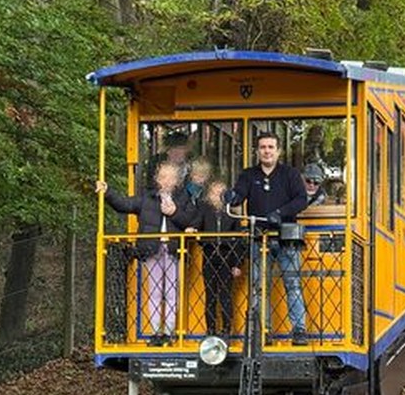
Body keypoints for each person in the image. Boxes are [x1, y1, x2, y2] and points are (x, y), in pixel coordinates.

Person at [225, 131, 311, 346]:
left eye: (271, 147)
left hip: (287, 237)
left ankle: (299, 330)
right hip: (259, 237)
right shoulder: (248, 175)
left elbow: (301, 199)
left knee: (292, 283)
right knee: (258, 285)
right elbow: (239, 194)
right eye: (263, 147)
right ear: (257, 151)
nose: (267, 151)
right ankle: (262, 330)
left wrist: (280, 214)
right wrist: (232, 197)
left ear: (278, 151)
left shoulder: (289, 174)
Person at [96, 161, 196, 345]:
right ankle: (156, 332)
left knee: (172, 291)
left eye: (171, 177)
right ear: (157, 179)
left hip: (175, 249)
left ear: (176, 180)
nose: (167, 180)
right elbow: (124, 204)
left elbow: (191, 220)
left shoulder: (184, 199)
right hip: (152, 249)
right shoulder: (147, 198)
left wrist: (174, 212)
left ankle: (169, 332)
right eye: (163, 176)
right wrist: (108, 191)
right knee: (155, 291)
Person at [189, 179, 243, 336]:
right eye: (214, 193)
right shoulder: (205, 210)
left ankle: (227, 329)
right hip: (210, 255)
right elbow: (198, 222)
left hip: (227, 257)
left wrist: (237, 264)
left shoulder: (232, 213)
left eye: (221, 193)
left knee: (226, 294)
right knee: (210, 294)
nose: (218, 197)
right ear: (209, 196)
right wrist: (192, 228)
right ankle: (210, 329)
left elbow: (239, 241)